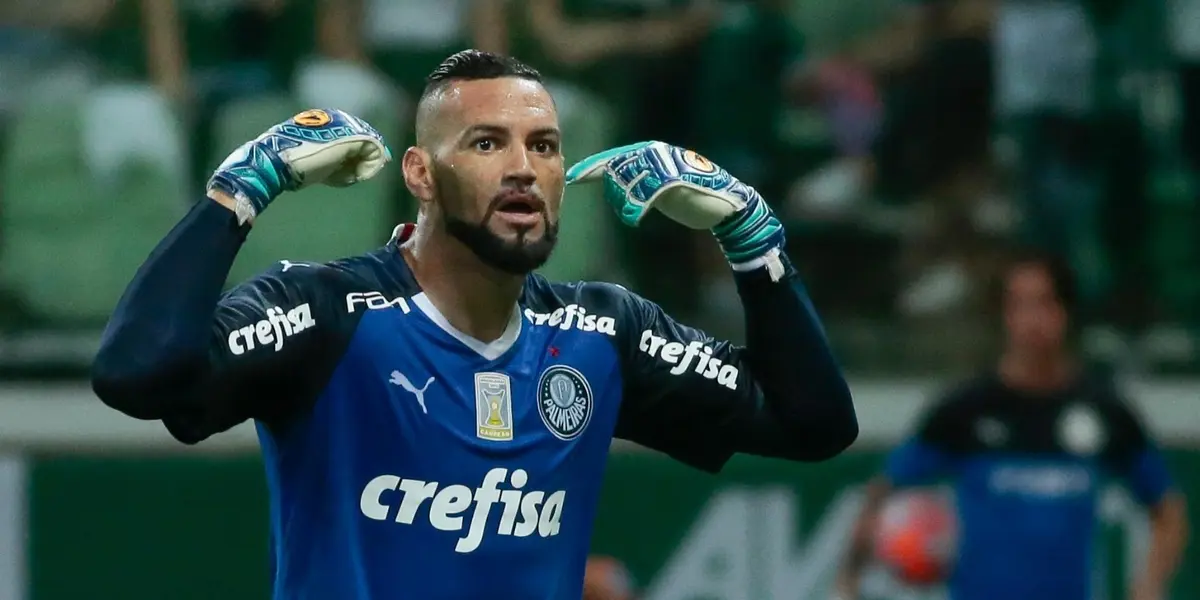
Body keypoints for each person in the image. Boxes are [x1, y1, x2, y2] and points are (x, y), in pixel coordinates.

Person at [91, 50, 858, 599]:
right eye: (487, 143)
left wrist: (756, 244)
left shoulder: (601, 333)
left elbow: (813, 424)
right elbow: (134, 373)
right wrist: (241, 189)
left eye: (545, 146)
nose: (523, 167)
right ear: (421, 174)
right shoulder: (328, 313)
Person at [834, 250, 1188, 600]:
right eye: (1019, 305)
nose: (1032, 320)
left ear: (1065, 312)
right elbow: (884, 491)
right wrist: (848, 581)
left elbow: (1168, 509)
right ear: (1005, 315)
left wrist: (1150, 583)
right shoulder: (966, 410)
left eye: (1043, 303)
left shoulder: (1104, 411)